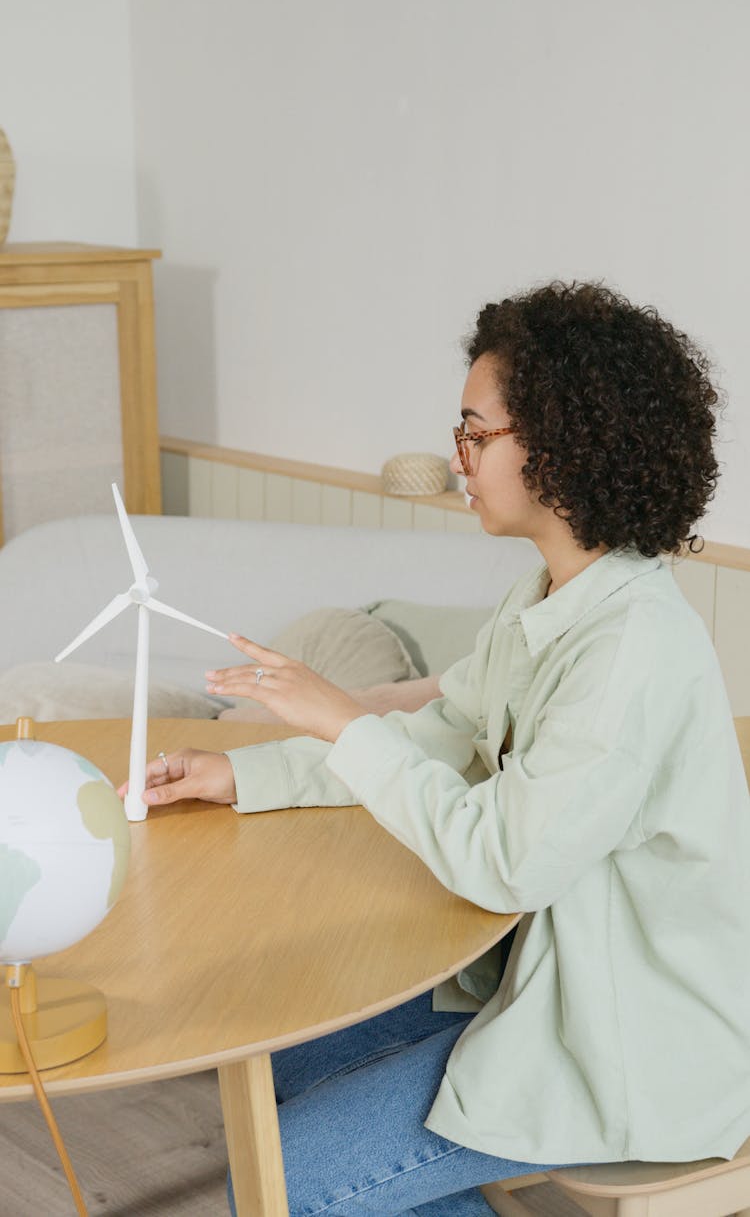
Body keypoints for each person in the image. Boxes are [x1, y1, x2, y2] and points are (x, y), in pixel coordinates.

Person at [123, 282, 750, 1217]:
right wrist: (238, 774)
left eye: (474, 433)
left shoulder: (632, 651)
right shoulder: (551, 595)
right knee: (277, 1056)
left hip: (631, 1043)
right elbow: (435, 735)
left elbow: (505, 861)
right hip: (536, 980)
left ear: (560, 447)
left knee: (282, 1183)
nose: (457, 459)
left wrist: (339, 719)